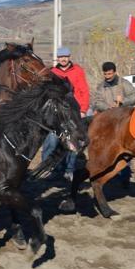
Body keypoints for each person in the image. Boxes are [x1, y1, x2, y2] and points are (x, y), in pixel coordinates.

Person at [41, 46, 90, 182]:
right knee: (52, 139)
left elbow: (84, 91)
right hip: (57, 113)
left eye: (66, 56)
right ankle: (48, 167)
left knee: (73, 141)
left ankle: (69, 170)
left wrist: (83, 110)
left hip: (73, 112)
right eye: (61, 57)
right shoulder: (52, 72)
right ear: (58, 58)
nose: (63, 59)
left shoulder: (77, 71)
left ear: (69, 57)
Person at [92, 61, 135, 186]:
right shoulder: (101, 87)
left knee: (125, 150)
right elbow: (97, 102)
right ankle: (106, 174)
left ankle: (124, 176)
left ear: (115, 72)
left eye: (110, 74)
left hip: (124, 122)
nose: (108, 76)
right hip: (108, 123)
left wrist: (123, 101)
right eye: (106, 74)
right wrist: (108, 108)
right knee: (107, 150)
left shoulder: (123, 84)